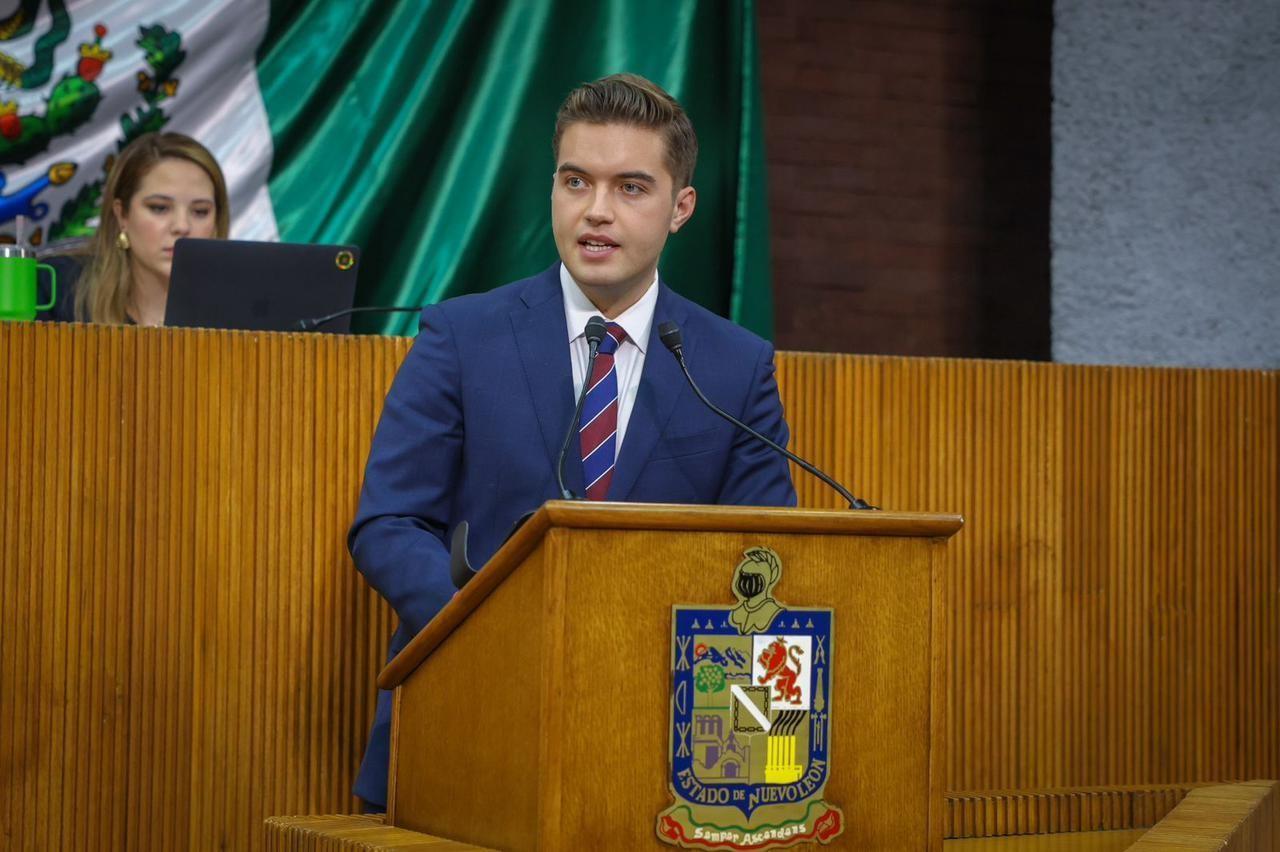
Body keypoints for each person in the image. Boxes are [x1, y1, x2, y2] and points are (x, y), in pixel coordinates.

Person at [347, 73, 797, 810]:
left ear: (680, 207)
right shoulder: (461, 336)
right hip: (466, 718)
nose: (596, 212)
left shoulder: (733, 365)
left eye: (630, 188)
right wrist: (489, 629)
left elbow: (763, 556)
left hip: (659, 744)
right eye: (576, 181)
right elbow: (389, 522)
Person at [38, 131, 229, 324]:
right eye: (159, 208)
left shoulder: (242, 311)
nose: (182, 226)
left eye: (200, 211)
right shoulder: (54, 288)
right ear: (122, 215)